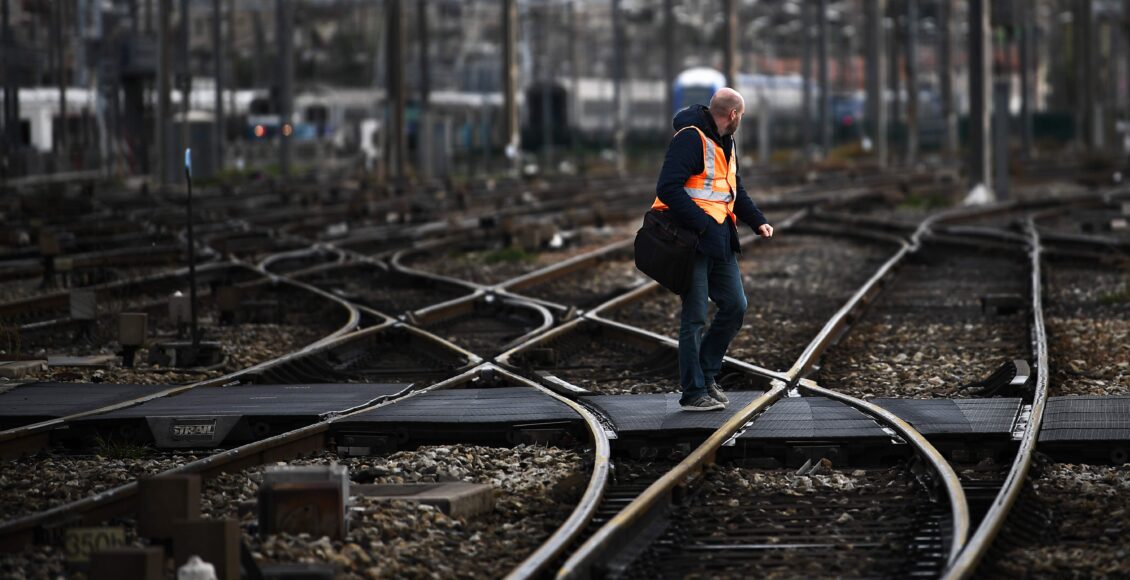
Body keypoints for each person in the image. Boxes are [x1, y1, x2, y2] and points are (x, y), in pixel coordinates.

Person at [651, 88, 774, 412]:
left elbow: (734, 189)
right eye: (742, 116)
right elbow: (668, 187)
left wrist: (756, 220)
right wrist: (701, 223)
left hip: (719, 238)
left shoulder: (725, 142)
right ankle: (693, 392)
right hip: (691, 241)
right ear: (733, 114)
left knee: (735, 305)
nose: (741, 121)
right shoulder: (690, 139)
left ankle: (707, 375)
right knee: (694, 317)